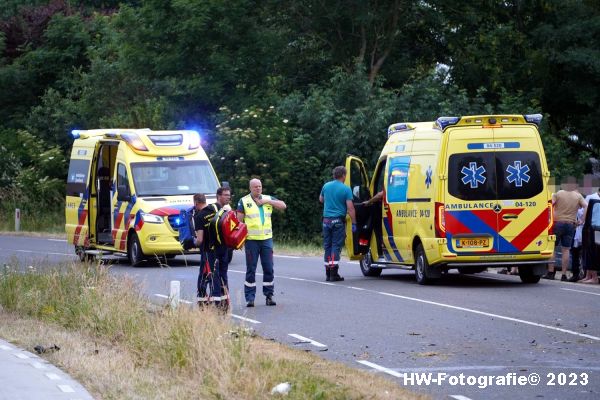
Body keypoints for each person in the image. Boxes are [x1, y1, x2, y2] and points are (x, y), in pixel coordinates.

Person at [237, 178, 287, 307]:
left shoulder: (267, 198)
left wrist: (268, 201)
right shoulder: (244, 201)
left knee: (269, 268)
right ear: (250, 188)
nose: (258, 188)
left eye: (259, 186)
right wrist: (240, 241)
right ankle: (250, 298)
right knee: (251, 270)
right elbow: (239, 223)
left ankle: (269, 296)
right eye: (255, 187)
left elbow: (283, 206)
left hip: (266, 240)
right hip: (251, 241)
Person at [195, 187, 232, 308]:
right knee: (223, 275)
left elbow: (199, 240)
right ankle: (225, 303)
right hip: (224, 249)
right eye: (226, 195)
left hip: (209, 251)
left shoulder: (201, 215)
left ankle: (212, 303)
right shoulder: (226, 212)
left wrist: (190, 243)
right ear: (218, 196)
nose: (228, 197)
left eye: (228, 195)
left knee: (211, 276)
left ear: (195, 203)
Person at [319, 166, 357, 282]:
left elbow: (321, 199)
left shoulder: (326, 186)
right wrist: (354, 223)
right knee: (336, 246)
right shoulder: (346, 189)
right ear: (344, 175)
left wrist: (330, 201)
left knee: (327, 246)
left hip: (326, 221)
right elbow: (350, 208)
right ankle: (333, 273)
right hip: (338, 221)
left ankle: (327, 273)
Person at [543, 182, 587, 281]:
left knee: (552, 248)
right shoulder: (578, 196)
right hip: (571, 224)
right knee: (566, 250)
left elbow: (550, 204)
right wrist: (582, 220)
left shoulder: (559, 193)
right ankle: (564, 275)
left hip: (558, 223)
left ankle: (550, 272)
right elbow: (586, 206)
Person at [580, 187, 600, 283]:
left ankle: (593, 277)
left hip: (591, 228)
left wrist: (581, 222)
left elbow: (585, 212)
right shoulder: (593, 198)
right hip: (594, 228)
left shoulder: (591, 198)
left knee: (591, 251)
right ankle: (589, 276)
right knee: (591, 251)